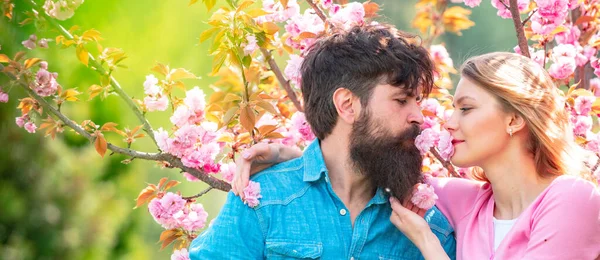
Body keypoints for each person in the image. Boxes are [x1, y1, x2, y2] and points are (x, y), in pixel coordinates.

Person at [233, 52, 600, 259]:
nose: (447, 123)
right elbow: (357, 166)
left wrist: (428, 243)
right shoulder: (464, 201)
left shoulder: (572, 199)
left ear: (515, 119)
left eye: (466, 109)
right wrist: (293, 156)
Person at [188, 24, 457, 259]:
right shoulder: (264, 200)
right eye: (401, 100)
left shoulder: (428, 227)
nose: (419, 118)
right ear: (347, 105)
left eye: (418, 102)